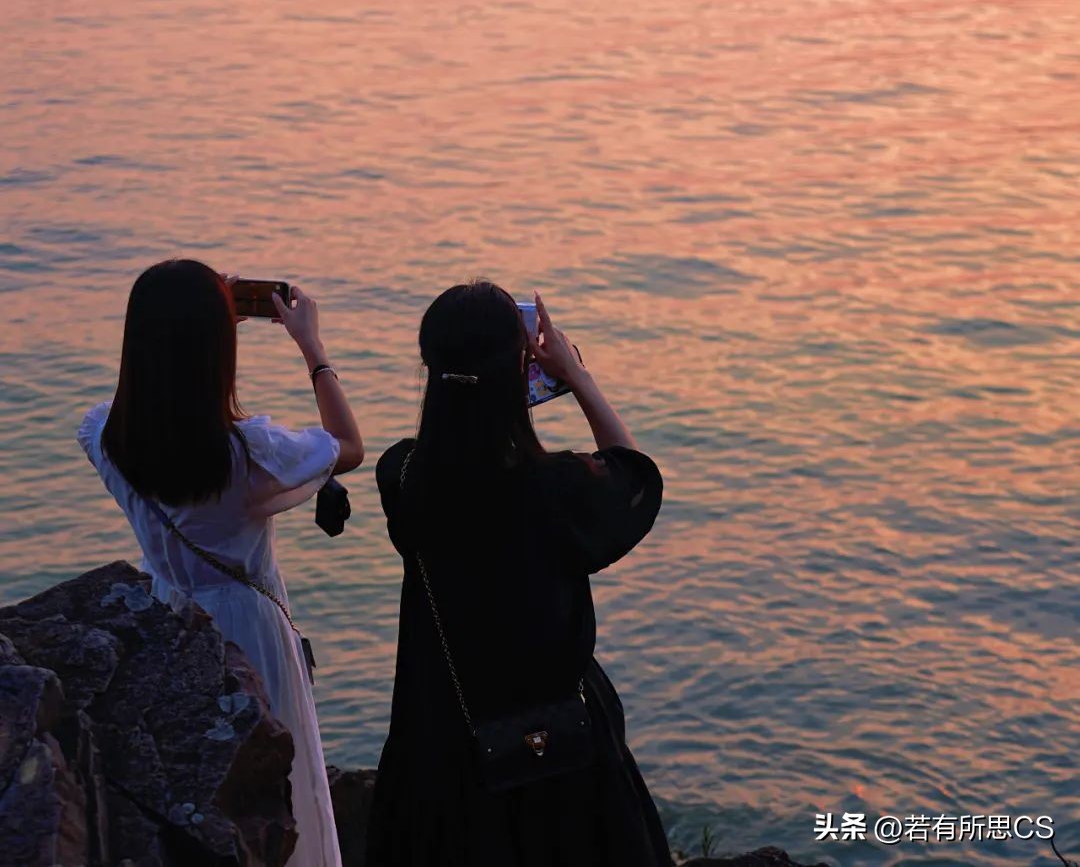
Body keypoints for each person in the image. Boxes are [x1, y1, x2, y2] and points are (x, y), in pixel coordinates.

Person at [367, 281, 668, 867]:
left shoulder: (402, 475)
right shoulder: (558, 489)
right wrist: (575, 377)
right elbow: (633, 477)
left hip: (442, 740)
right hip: (557, 748)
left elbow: (461, 441)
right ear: (520, 370)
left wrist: (492, 389)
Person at [78, 258, 363, 867]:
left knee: (198, 802)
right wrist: (311, 347)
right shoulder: (250, 454)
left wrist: (193, 316)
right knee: (279, 799)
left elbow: (141, 402)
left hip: (168, 622)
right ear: (217, 350)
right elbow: (349, 446)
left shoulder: (106, 436)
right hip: (249, 635)